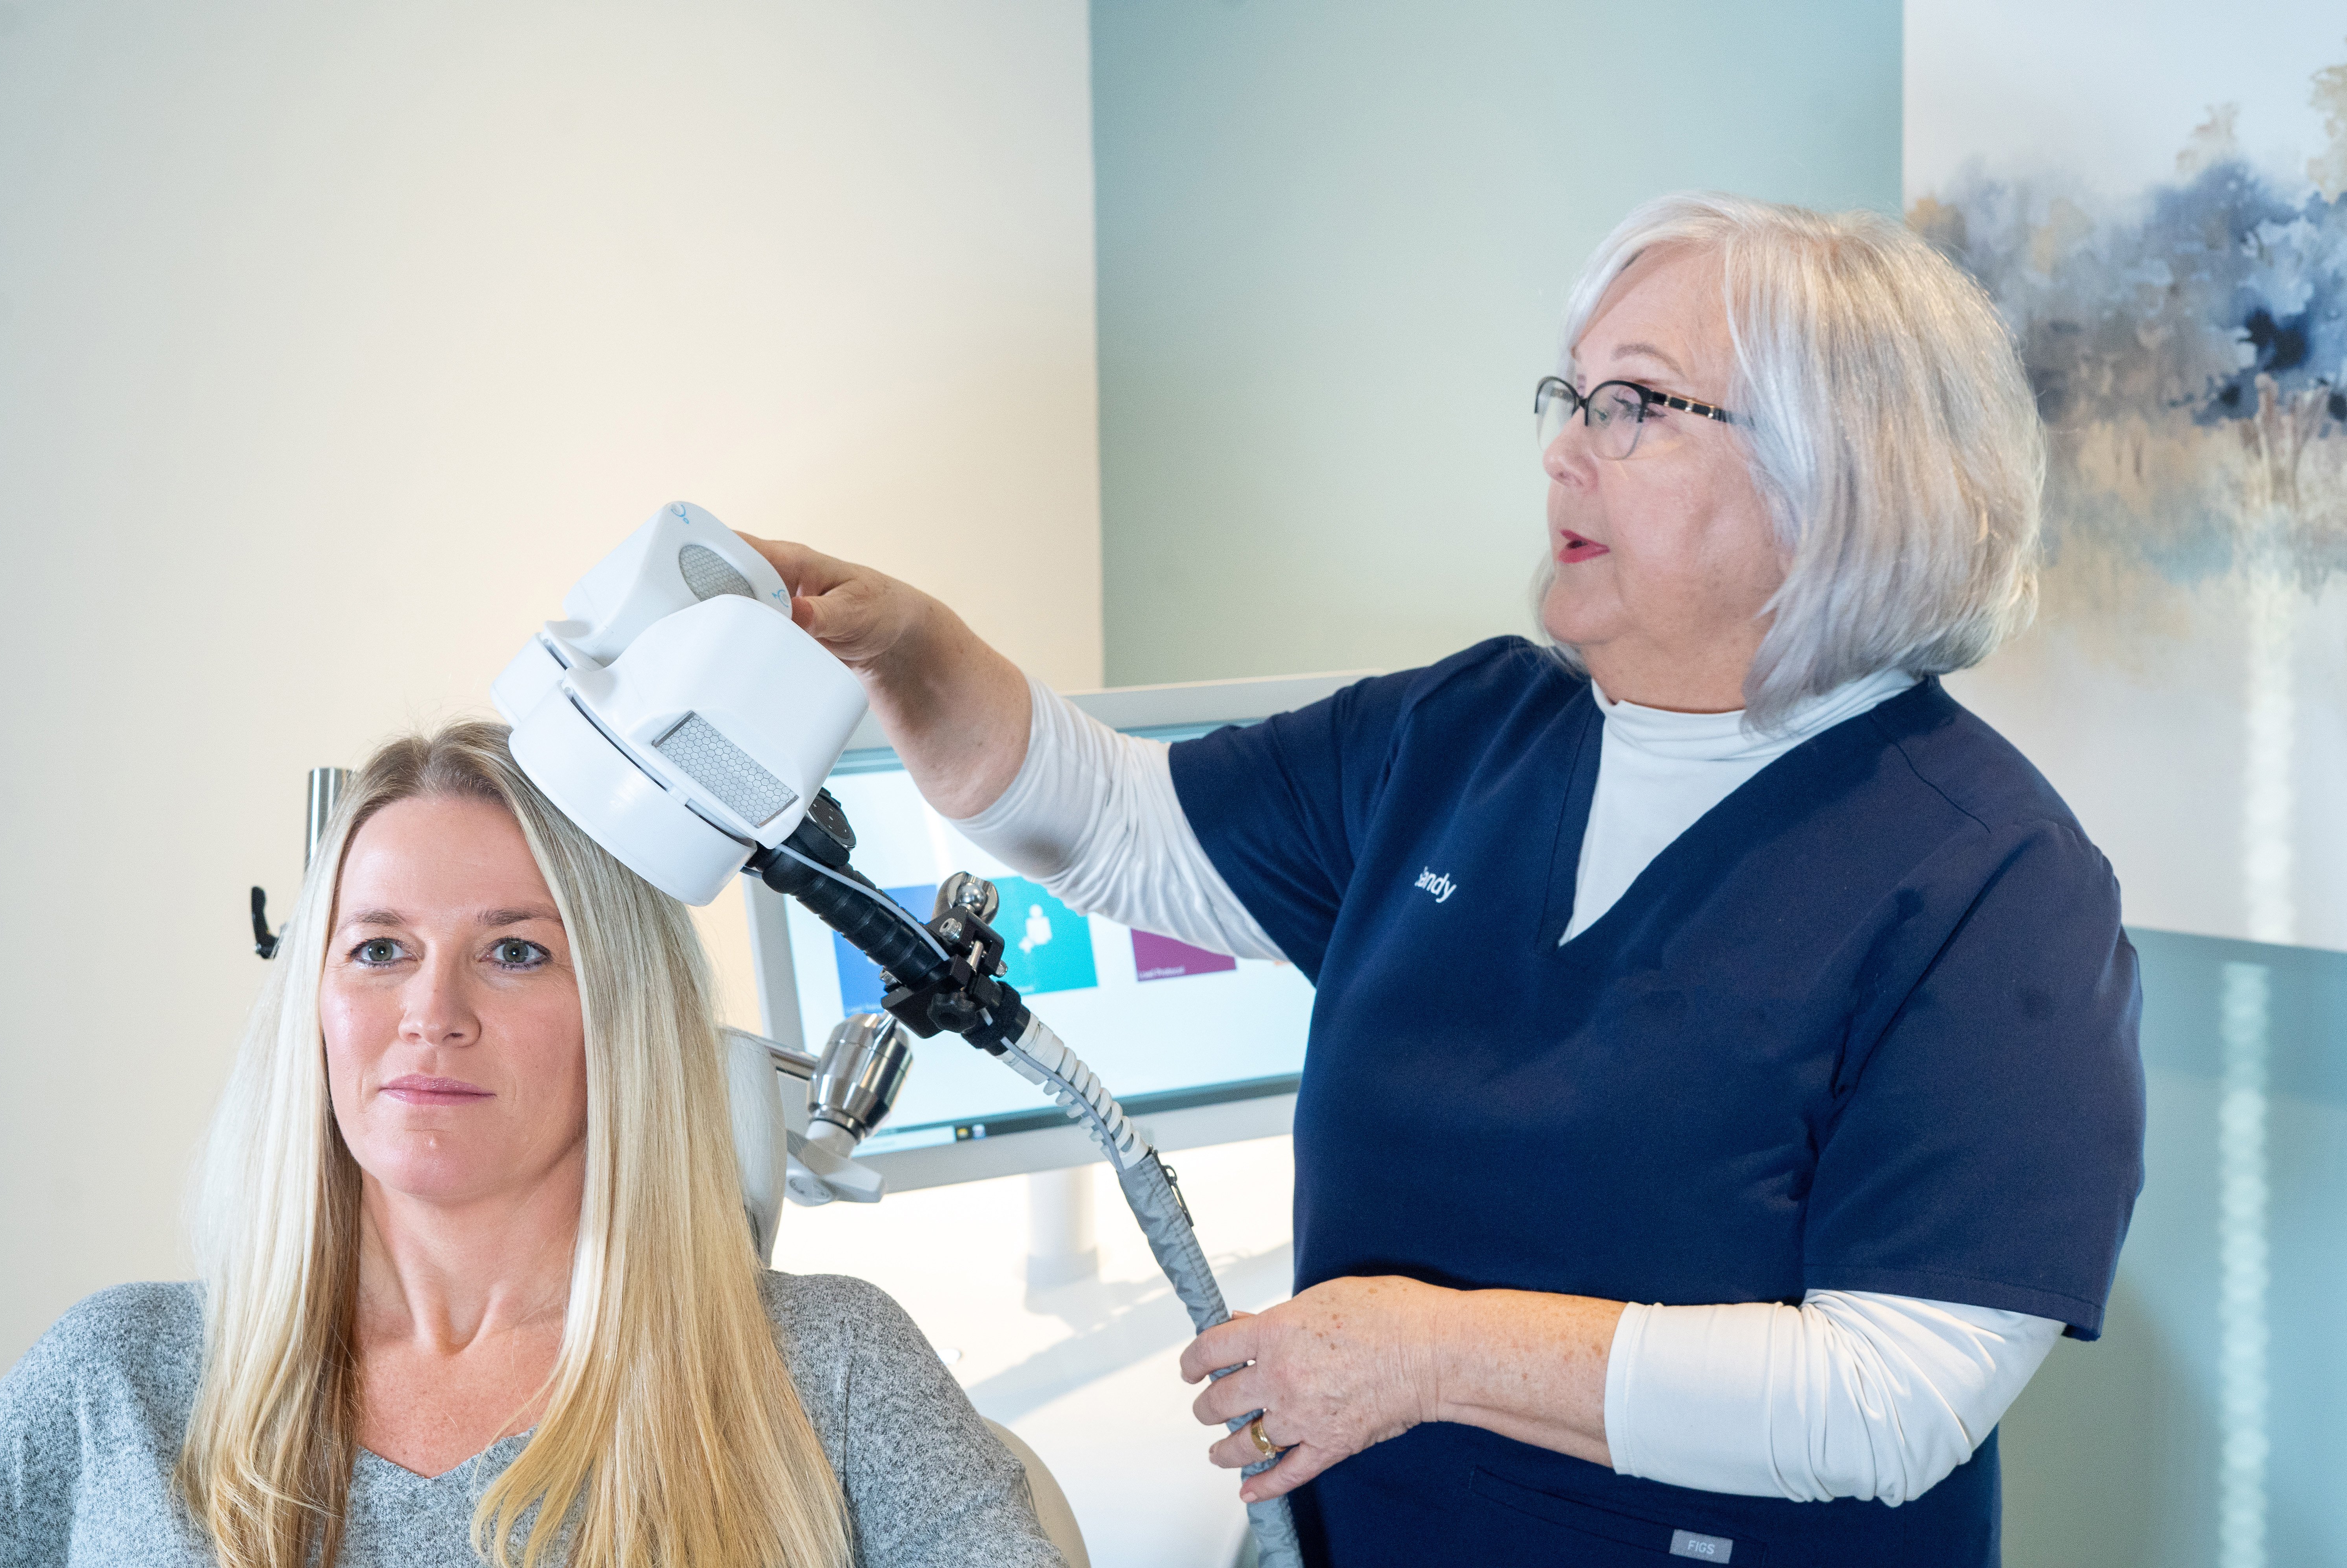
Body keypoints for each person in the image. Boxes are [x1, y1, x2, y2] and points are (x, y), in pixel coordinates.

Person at [739, 192, 2146, 1565]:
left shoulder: (1992, 881)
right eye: (1572, 396)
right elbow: (1119, 823)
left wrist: (1423, 1355)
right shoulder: (1469, 733)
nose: (1563, 455)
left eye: (1635, 406)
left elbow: (1888, 1400)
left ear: (1834, 474)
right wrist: (913, 652)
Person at [0, 724, 1065, 1568]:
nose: (431, 1011)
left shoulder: (830, 1373)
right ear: (311, 1006)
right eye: (378, 948)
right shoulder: (113, 1384)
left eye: (514, 952)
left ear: (624, 1014)